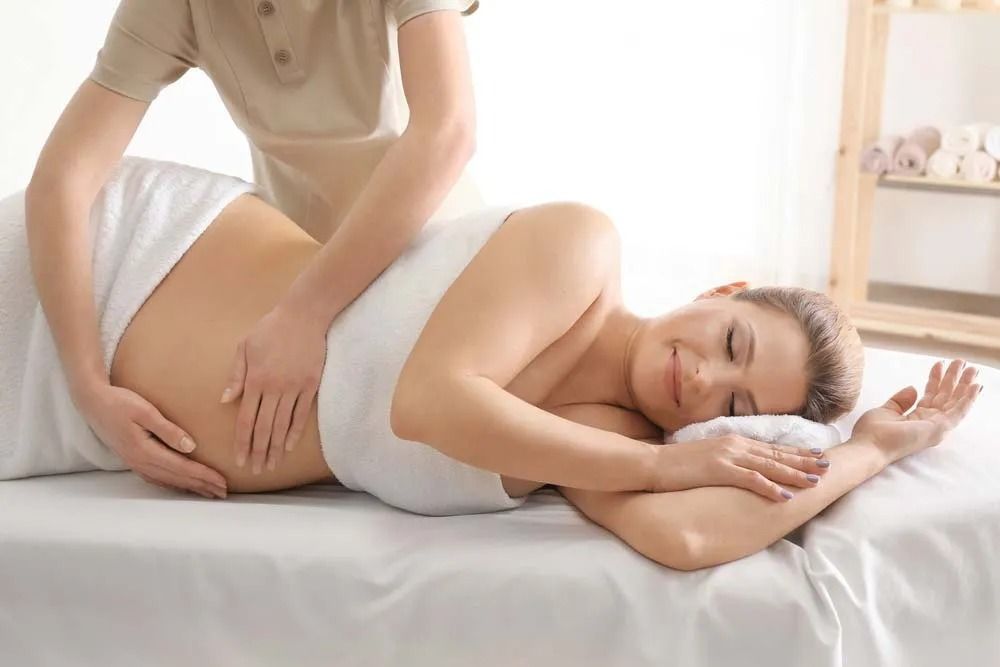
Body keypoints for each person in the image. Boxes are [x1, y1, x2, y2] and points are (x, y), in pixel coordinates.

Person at [3, 158, 982, 571]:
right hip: (111, 271)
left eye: (732, 403)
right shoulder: (579, 248)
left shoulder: (598, 436)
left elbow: (685, 537)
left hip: (84, 428)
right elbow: (427, 403)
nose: (702, 382)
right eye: (731, 343)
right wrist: (666, 461)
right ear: (722, 291)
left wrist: (870, 451)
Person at [25, 0, 483, 499]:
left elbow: (446, 132)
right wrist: (88, 386)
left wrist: (306, 312)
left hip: (434, 259)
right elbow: (62, 181)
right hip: (299, 278)